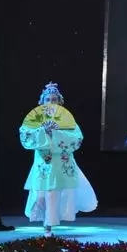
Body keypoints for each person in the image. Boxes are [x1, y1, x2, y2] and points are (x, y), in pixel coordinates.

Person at [20, 82, 98, 236]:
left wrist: (56, 133)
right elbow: (26, 137)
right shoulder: (35, 119)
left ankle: (48, 225)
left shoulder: (67, 120)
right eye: (48, 99)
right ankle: (45, 222)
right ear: (42, 102)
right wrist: (43, 131)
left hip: (61, 162)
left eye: (54, 99)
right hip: (43, 161)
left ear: (59, 102)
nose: (51, 102)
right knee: (41, 193)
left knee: (54, 193)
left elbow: (77, 139)